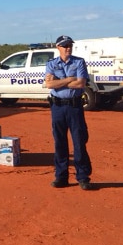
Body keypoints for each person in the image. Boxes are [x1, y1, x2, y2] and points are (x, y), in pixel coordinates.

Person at [45, 35, 94, 190]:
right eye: (65, 46)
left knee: (79, 142)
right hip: (57, 107)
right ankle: (61, 176)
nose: (68, 48)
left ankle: (83, 177)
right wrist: (68, 80)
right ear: (58, 47)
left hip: (74, 107)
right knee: (60, 142)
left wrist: (59, 82)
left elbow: (81, 83)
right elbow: (49, 84)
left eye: (70, 46)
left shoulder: (79, 62)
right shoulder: (51, 64)